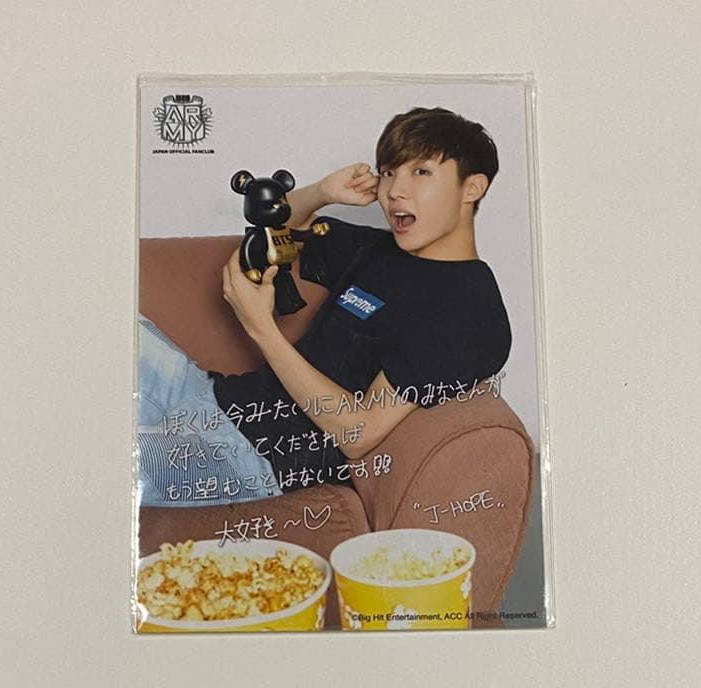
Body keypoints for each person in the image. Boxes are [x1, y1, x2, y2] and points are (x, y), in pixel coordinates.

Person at [137, 107, 511, 506]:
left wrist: (261, 328)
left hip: (250, 457)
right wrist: (323, 193)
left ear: (472, 188)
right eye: (388, 172)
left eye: (421, 172)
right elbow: (279, 228)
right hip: (209, 395)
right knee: (103, 319)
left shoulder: (470, 310)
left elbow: (358, 433)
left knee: (101, 453)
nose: (394, 191)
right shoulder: (379, 249)